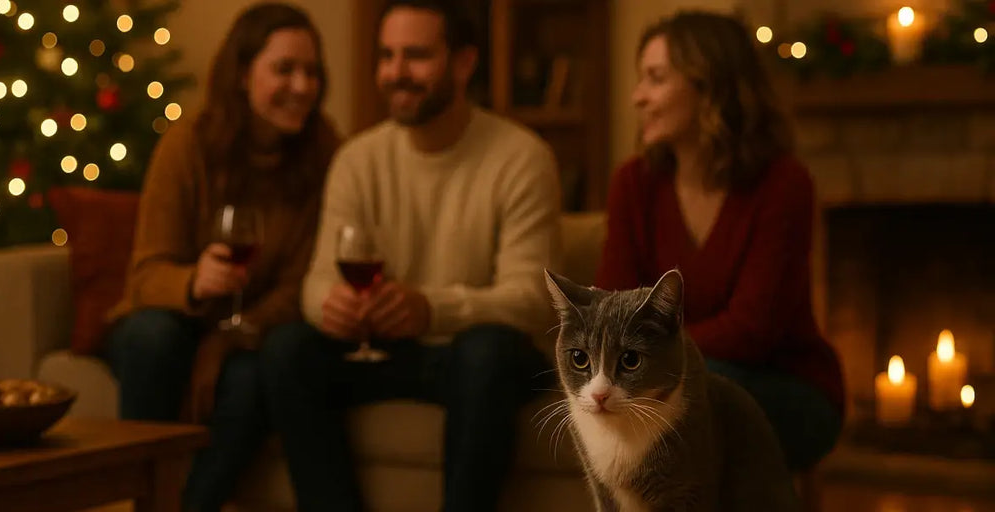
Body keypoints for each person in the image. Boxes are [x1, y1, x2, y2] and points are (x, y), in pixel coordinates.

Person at [258, 0, 563, 510]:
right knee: (287, 349)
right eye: (386, 56)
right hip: (386, 351)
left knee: (485, 351)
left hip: (473, 360)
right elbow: (314, 284)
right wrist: (331, 305)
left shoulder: (521, 157)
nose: (395, 74)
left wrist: (430, 308)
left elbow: (533, 298)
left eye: (416, 56)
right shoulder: (358, 159)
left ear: (464, 63)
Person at [103, 3, 341, 511]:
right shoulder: (186, 145)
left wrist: (228, 339)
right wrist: (194, 281)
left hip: (252, 332)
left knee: (254, 377)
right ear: (240, 72)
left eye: (312, 71)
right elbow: (145, 276)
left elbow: (298, 286)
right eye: (284, 69)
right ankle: (141, 496)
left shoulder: (325, 154)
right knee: (154, 337)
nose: (302, 86)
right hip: (172, 324)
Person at [595, 10, 844, 472]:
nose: (637, 97)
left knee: (702, 400)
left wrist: (646, 359)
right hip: (664, 380)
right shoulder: (634, 184)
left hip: (785, 385)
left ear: (709, 86)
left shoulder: (782, 184)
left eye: (655, 78)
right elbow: (612, 309)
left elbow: (752, 330)